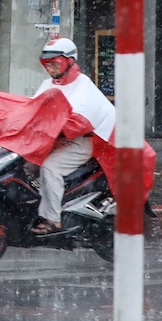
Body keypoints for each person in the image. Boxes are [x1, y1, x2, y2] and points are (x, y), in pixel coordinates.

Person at [31, 37, 115, 235]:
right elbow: (31, 108)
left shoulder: (82, 85)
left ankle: (53, 219)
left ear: (69, 61)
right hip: (55, 140)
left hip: (79, 143)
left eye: (55, 63)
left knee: (50, 168)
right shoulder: (48, 84)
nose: (50, 68)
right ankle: (38, 206)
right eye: (47, 64)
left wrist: (56, 127)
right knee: (25, 164)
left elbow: (81, 120)